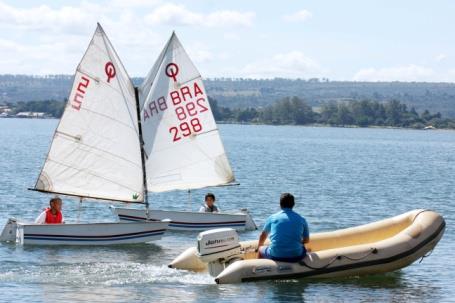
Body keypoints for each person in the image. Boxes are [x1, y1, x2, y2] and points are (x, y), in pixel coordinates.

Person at [257, 193, 309, 262]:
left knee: (260, 249)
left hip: (275, 255)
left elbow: (263, 236)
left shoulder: (272, 217)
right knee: (304, 248)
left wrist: (259, 247)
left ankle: (258, 267)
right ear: (293, 204)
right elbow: (306, 240)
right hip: (296, 255)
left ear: (280, 204)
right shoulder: (302, 219)